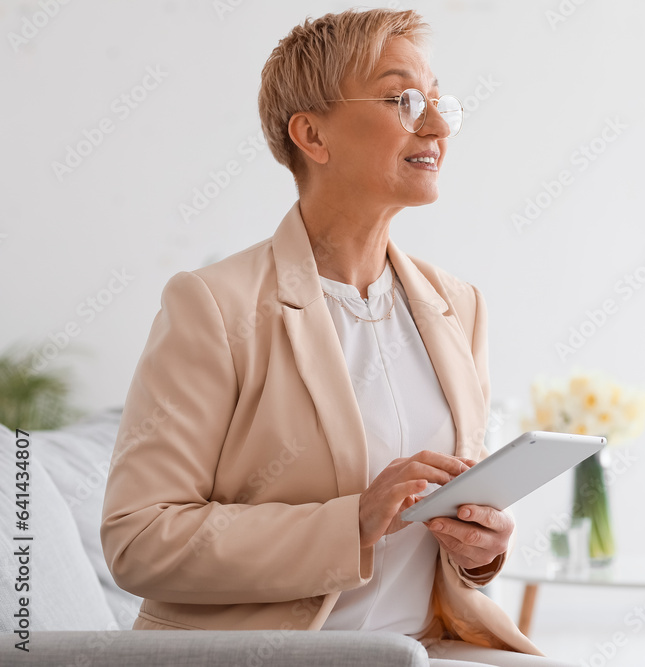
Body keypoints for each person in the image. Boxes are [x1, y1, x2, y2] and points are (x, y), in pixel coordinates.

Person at [100, 8, 574, 667]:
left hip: (423, 647)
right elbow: (140, 539)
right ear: (312, 134)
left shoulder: (458, 305)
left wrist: (481, 551)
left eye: (439, 101)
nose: (435, 125)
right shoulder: (213, 304)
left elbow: (452, 530)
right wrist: (352, 521)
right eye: (402, 98)